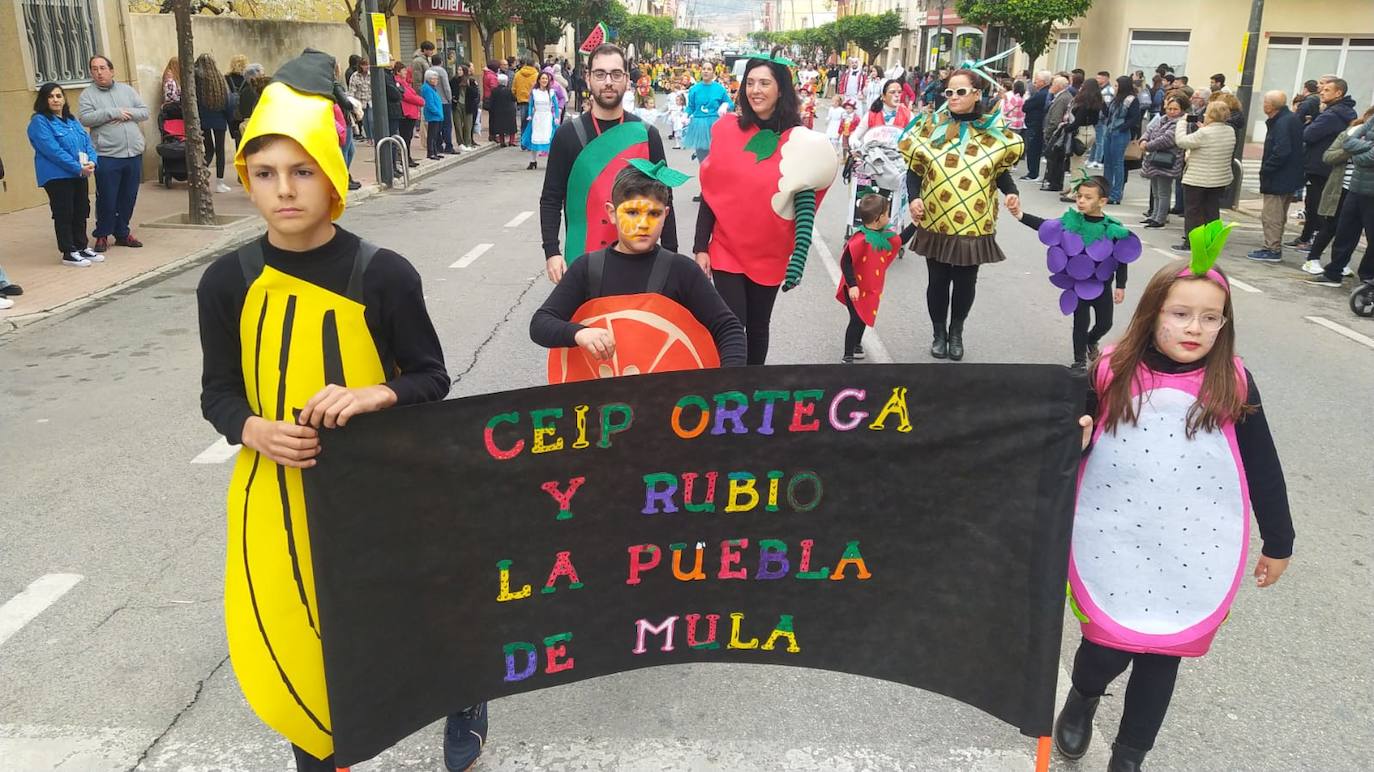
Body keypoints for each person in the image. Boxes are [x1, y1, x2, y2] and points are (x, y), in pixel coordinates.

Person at [195, 49, 486, 772]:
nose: (284, 191)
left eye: (302, 172)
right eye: (265, 174)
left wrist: (374, 394)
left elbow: (431, 377)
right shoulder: (225, 283)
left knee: (412, 623)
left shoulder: (383, 274)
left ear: (333, 176)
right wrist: (252, 429)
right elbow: (218, 395)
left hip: (383, 487)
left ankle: (466, 694)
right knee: (301, 647)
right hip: (279, 493)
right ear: (246, 181)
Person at [1056, 254, 1293, 772]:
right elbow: (1065, 447)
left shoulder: (1232, 381)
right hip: (1117, 537)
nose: (1195, 328)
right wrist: (1073, 438)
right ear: (1152, 312)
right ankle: (1084, 696)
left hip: (1190, 548)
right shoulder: (1111, 370)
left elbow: (1261, 462)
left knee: (1163, 657)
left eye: (1211, 317)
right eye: (1181, 313)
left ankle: (1129, 757)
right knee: (1107, 648)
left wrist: (1280, 541)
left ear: (1224, 323)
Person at [531, 161, 746, 369]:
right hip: (602, 398)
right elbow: (541, 323)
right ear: (612, 213)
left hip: (666, 399)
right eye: (632, 212)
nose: (643, 224)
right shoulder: (587, 269)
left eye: (654, 213)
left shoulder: (681, 271)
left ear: (666, 215)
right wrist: (579, 333)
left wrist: (727, 382)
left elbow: (729, 328)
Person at [694, 53, 836, 365]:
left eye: (765, 83)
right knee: (732, 325)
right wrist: (700, 245)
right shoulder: (727, 130)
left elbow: (804, 201)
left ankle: (754, 387)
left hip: (770, 252)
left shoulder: (799, 141)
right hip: (726, 248)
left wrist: (798, 254)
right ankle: (731, 387)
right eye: (751, 83)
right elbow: (711, 191)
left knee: (758, 327)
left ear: (781, 90)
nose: (755, 90)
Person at [900, 68, 1023, 361]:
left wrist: (1011, 192)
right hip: (935, 218)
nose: (953, 97)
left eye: (960, 92)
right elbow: (915, 170)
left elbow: (1000, 171)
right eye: (949, 93)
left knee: (966, 281)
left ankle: (957, 332)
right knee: (938, 281)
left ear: (977, 94)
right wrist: (914, 199)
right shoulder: (931, 127)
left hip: (974, 222)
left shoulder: (993, 133)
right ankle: (938, 333)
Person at [540, 44, 678, 284]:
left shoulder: (647, 135)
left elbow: (667, 200)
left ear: (626, 79)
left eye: (616, 74)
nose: (608, 82)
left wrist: (671, 256)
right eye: (600, 74)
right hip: (582, 259)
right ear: (588, 77)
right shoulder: (567, 135)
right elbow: (551, 198)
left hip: (640, 260)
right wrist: (552, 252)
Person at [1009, 175, 1132, 369]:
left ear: (1102, 201)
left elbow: (1122, 258)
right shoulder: (1070, 222)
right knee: (1080, 323)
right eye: (1079, 196)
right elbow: (1044, 226)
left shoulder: (1113, 228)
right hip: (1078, 285)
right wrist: (1020, 215)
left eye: (1088, 197)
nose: (1081, 201)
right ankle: (1079, 360)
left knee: (1105, 323)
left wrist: (1121, 285)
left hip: (1102, 285)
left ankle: (1091, 340)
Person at [79, 55, 149, 253]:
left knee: (128, 197)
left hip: (133, 153)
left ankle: (122, 232)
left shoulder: (127, 90)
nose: (99, 72)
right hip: (106, 155)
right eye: (94, 69)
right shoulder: (88, 95)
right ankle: (102, 233)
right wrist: (112, 113)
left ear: (112, 70)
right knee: (107, 198)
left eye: (102, 67)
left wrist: (127, 113)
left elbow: (144, 112)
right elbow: (85, 118)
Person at [837, 193, 916, 363]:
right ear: (878, 218)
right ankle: (848, 355)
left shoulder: (884, 235)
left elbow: (899, 240)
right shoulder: (860, 239)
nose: (889, 216)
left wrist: (915, 224)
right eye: (887, 213)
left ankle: (857, 344)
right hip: (856, 287)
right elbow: (845, 262)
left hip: (871, 287)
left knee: (865, 315)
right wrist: (852, 285)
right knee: (856, 319)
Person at [28, 82, 100, 267]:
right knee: (64, 212)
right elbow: (53, 151)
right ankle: (69, 251)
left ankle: (81, 246)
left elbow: (87, 143)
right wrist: (77, 167)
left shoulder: (71, 119)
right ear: (44, 100)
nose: (55, 100)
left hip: (79, 173)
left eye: (59, 96)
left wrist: (92, 161)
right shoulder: (40, 121)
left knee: (81, 209)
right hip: (58, 175)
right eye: (51, 96)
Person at [1300, 106, 1372, 276]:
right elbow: (1329, 156)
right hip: (1341, 188)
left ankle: (1342, 264)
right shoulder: (1349, 133)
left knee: (1352, 232)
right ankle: (1313, 258)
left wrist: (1360, 149)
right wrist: (1350, 151)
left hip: (1363, 190)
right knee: (1332, 225)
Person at [1291, 78, 1357, 251]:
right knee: (1316, 204)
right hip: (1323, 165)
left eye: (1327, 90)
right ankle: (1307, 237)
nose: (1321, 92)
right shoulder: (1344, 112)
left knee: (1316, 204)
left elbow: (1308, 134)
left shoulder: (1332, 114)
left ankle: (1310, 240)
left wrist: (1311, 122)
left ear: (1338, 93)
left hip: (1319, 165)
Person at [1247, 91, 1305, 263]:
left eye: (1264, 102)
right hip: (1289, 176)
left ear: (1269, 106)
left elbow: (1282, 150)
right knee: (1279, 214)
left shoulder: (1282, 122)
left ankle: (1272, 248)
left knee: (1272, 215)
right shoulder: (1290, 119)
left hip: (1278, 177)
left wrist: (1267, 168)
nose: (1262, 105)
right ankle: (1273, 246)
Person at [1170, 101, 1235, 253]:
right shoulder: (1229, 131)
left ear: (1211, 115)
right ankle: (1211, 240)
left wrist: (1181, 123)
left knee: (1193, 211)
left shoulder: (1205, 133)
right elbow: (1213, 143)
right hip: (1219, 178)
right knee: (1212, 210)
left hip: (1198, 178)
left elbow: (1181, 141)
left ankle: (1191, 243)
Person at [1138, 93, 1186, 229]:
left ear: (1181, 110)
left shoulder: (1180, 123)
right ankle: (1153, 215)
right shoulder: (1161, 119)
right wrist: (1143, 140)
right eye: (1169, 108)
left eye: (1175, 109)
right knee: (1155, 191)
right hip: (1154, 159)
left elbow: (1166, 139)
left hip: (1168, 161)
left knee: (1164, 192)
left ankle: (1160, 218)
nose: (1171, 111)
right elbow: (1149, 130)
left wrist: (1147, 145)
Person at [194, 53, 234, 193]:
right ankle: (220, 182)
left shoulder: (196, 81)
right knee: (220, 150)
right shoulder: (219, 79)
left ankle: (200, 175)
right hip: (219, 119)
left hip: (203, 119)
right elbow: (227, 102)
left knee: (208, 149)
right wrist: (230, 121)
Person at [1100, 75, 1141, 204]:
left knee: (1118, 163)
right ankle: (1106, 191)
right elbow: (1108, 114)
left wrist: (1123, 128)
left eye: (1117, 85)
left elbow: (1135, 118)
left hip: (1120, 133)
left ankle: (1116, 194)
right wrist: (1102, 104)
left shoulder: (1131, 99)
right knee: (1107, 162)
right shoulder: (1115, 99)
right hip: (1110, 132)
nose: (1115, 88)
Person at [682, 67, 732, 171]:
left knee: (717, 159)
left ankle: (717, 181)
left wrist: (725, 105)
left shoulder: (719, 88)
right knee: (703, 161)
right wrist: (685, 114)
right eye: (704, 68)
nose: (705, 71)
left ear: (713, 72)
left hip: (715, 125)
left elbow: (730, 103)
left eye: (709, 69)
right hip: (699, 125)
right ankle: (705, 182)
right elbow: (691, 106)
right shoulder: (694, 89)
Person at [1061, 78, 1104, 201]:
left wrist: (1066, 128)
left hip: (1082, 132)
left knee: (1076, 164)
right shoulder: (1096, 102)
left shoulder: (1084, 104)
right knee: (1079, 161)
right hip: (1090, 131)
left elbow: (1077, 122)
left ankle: (1076, 191)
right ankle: (1074, 187)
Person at [521, 71, 560, 170]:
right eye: (542, 78)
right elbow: (530, 105)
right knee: (535, 137)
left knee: (549, 138)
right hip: (537, 117)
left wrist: (556, 117)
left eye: (546, 79)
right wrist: (530, 115)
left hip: (547, 117)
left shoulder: (551, 92)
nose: (544, 80)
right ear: (539, 80)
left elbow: (555, 106)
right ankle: (533, 161)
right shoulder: (534, 92)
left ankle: (551, 162)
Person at [1041, 75, 1073, 191]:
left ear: (1059, 86)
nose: (1051, 86)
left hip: (1056, 133)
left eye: (1053, 84)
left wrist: (1048, 133)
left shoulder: (1062, 98)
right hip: (1059, 133)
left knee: (1055, 160)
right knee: (1057, 160)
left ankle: (1053, 183)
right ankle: (1055, 182)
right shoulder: (1063, 96)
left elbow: (1055, 118)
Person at [394, 63, 424, 167]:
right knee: (405, 137)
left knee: (408, 137)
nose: (406, 72)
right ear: (398, 72)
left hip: (410, 113)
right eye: (404, 70)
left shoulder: (404, 82)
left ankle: (407, 157)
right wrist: (421, 101)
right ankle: (405, 158)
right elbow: (408, 96)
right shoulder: (398, 82)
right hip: (406, 113)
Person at [426, 54, 456, 154]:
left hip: (434, 101)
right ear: (441, 62)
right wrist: (449, 98)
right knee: (447, 125)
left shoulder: (428, 71)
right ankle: (448, 146)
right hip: (444, 101)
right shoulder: (442, 71)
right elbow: (446, 87)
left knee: (437, 126)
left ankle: (438, 146)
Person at [487, 73, 517, 148]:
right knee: (511, 127)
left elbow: (492, 101)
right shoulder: (508, 90)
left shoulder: (494, 91)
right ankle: (511, 141)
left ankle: (502, 141)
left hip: (498, 111)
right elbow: (514, 99)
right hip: (509, 110)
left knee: (501, 127)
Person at [451, 65, 477, 151]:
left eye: (460, 70)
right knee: (458, 124)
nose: (459, 71)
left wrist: (469, 86)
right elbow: (450, 90)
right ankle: (460, 143)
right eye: (458, 70)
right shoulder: (454, 80)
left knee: (468, 125)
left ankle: (468, 143)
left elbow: (475, 94)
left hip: (468, 105)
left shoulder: (471, 81)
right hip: (457, 104)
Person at [421, 71, 446, 160]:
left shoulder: (432, 88)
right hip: (433, 115)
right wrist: (437, 112)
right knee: (432, 134)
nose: (436, 80)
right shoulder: (427, 89)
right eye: (434, 78)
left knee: (435, 135)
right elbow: (430, 104)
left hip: (437, 115)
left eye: (436, 78)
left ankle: (435, 151)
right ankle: (431, 152)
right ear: (429, 79)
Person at [348, 58, 373, 142]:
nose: (367, 67)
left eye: (367, 64)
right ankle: (369, 138)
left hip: (370, 100)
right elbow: (352, 90)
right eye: (364, 65)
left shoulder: (371, 74)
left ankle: (373, 137)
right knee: (365, 120)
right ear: (360, 66)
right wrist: (352, 102)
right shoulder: (355, 76)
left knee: (371, 119)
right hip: (360, 101)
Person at [225, 54, 248, 144]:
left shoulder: (226, 78)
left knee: (237, 137)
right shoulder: (247, 78)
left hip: (232, 112)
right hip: (244, 112)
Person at [512, 58, 539, 133]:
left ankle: (523, 139)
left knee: (523, 121)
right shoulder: (536, 75)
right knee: (533, 121)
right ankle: (530, 139)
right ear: (534, 65)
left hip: (522, 100)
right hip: (533, 100)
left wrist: (516, 95)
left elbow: (513, 88)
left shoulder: (517, 74)